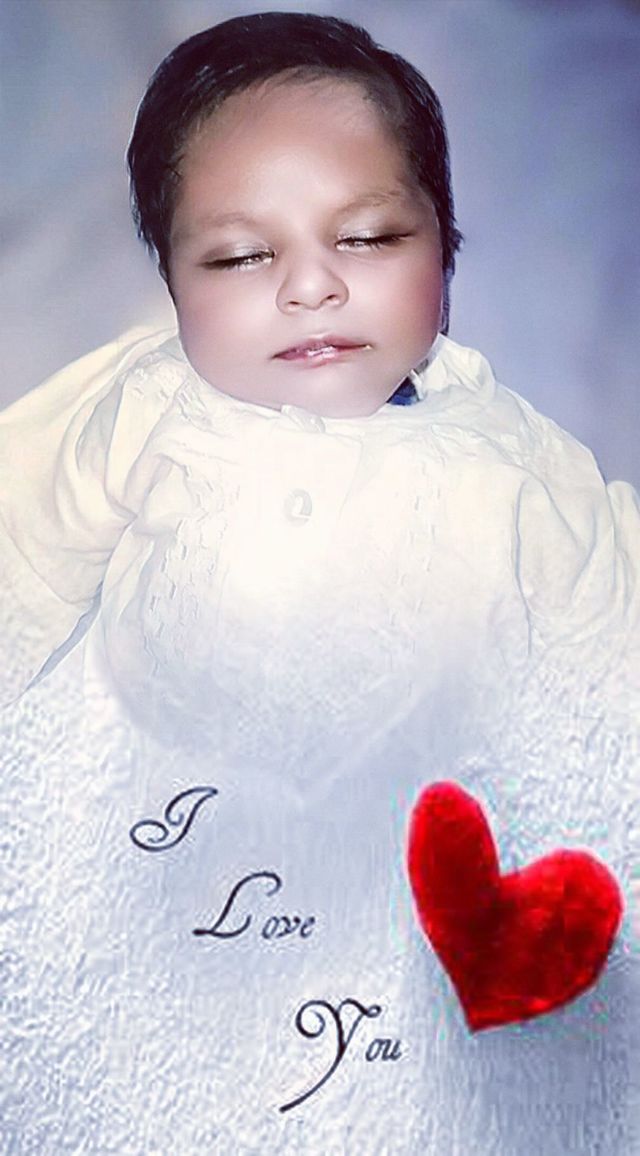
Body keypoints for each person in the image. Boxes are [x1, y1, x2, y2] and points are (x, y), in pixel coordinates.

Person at [1, 13, 638, 1154]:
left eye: (369, 236)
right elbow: (20, 549)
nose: (311, 286)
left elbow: (607, 638)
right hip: (170, 842)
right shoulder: (142, 414)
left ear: (446, 250)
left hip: (405, 859)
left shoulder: (508, 460)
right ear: (172, 282)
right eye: (241, 257)